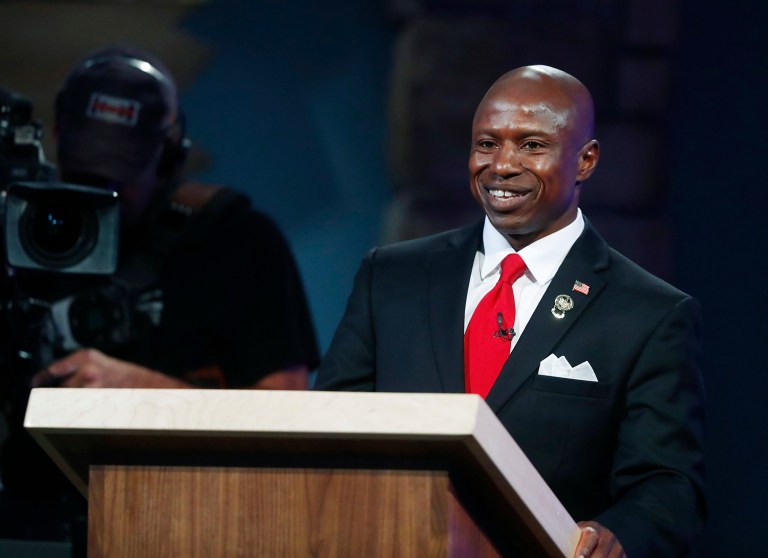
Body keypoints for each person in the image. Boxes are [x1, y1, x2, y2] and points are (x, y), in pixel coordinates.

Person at [314, 65, 705, 558]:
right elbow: (331, 428)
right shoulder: (391, 277)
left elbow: (667, 485)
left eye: (531, 145)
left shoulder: (649, 314)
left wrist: (617, 536)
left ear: (585, 160)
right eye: (486, 144)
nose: (501, 164)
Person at [0, 45, 320, 552]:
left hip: (173, 525)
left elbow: (286, 420)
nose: (100, 190)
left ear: (170, 155)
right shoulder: (17, 230)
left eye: (118, 174)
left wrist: (144, 395)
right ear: (58, 136)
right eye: (87, 170)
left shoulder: (233, 240)